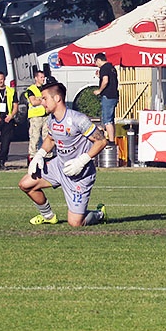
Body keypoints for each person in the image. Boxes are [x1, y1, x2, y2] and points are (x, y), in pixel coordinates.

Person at [20, 81, 109, 227]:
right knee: (25, 184)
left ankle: (99, 214)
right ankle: (48, 216)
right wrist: (40, 154)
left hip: (80, 175)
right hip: (59, 167)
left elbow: (101, 141)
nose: (42, 102)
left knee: (75, 223)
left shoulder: (78, 120)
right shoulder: (51, 120)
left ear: (57, 99)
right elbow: (50, 138)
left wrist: (81, 161)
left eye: (44, 98)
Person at [93, 53, 119, 142]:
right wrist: (99, 76)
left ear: (98, 60)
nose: (96, 64)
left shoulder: (104, 68)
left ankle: (111, 141)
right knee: (110, 119)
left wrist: (99, 90)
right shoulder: (112, 68)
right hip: (114, 95)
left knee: (107, 120)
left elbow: (105, 81)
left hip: (107, 96)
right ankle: (112, 138)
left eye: (95, 62)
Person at [24, 69, 49, 163]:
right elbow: (33, 102)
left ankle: (47, 155)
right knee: (35, 136)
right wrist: (42, 101)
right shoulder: (31, 89)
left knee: (47, 137)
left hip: (46, 115)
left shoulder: (45, 88)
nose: (43, 79)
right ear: (36, 78)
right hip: (35, 116)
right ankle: (32, 156)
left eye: (44, 77)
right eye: (41, 77)